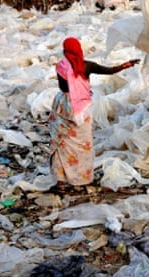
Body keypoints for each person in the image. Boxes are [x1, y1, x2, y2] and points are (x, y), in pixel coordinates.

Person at [49, 36, 140, 189]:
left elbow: (62, 87)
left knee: (63, 142)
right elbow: (109, 70)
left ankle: (61, 180)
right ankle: (79, 178)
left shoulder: (60, 66)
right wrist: (126, 65)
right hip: (81, 108)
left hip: (63, 105)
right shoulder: (87, 66)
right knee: (82, 143)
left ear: (65, 50)